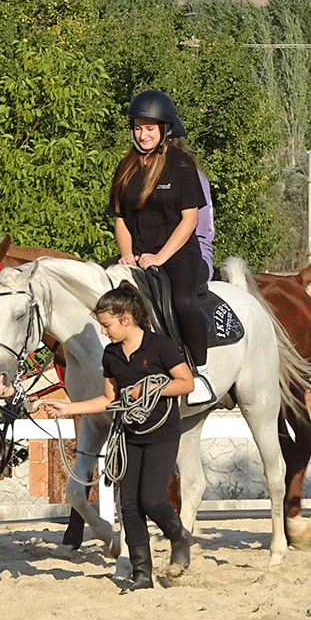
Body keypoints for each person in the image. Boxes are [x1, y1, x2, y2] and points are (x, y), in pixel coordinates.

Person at [42, 282, 196, 590]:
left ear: (126, 318)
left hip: (161, 433)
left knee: (152, 499)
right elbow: (109, 400)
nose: (104, 332)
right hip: (127, 433)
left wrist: (152, 388)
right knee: (128, 505)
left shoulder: (160, 346)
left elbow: (186, 383)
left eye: (107, 325)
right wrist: (68, 407)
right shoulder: (111, 355)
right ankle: (142, 574)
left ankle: (179, 537)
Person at [109, 89, 214, 404]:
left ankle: (198, 373)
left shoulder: (181, 165)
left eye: (150, 129)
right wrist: (126, 254)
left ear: (164, 130)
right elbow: (121, 220)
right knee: (101, 290)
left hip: (177, 253)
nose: (143, 135)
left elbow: (189, 221)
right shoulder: (126, 167)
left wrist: (160, 256)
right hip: (137, 255)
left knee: (182, 301)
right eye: (138, 128)